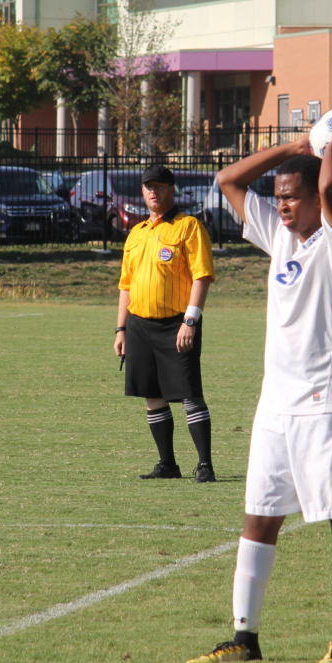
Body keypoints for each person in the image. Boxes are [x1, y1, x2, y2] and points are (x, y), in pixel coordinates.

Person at [188, 117, 332, 663]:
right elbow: (227, 180)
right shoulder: (280, 240)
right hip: (277, 404)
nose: (285, 207)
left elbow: (329, 189)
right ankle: (243, 638)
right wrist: (294, 147)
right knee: (259, 516)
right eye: (280, 199)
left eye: (293, 198)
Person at [114, 165, 217, 483]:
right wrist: (121, 329)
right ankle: (167, 464)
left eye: (159, 186)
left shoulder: (188, 226)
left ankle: (204, 465)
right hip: (139, 325)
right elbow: (125, 285)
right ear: (142, 191)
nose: (153, 192)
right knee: (151, 394)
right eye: (148, 186)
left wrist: (191, 320)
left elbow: (202, 276)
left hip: (177, 324)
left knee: (188, 393)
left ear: (172, 189)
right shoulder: (137, 232)